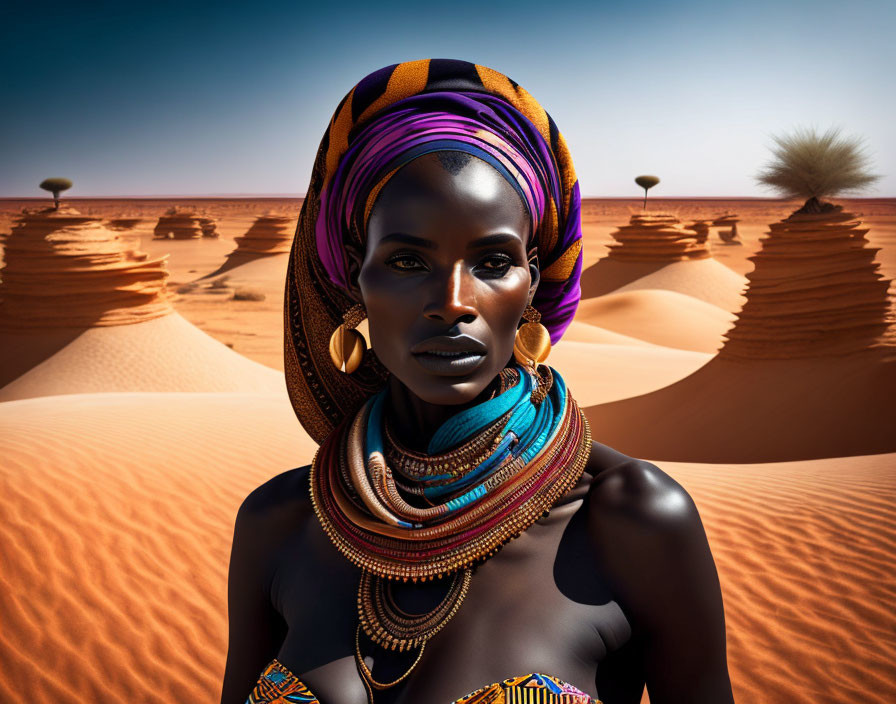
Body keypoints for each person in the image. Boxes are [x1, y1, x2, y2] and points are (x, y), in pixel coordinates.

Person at [221, 59, 734, 704]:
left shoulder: (630, 520)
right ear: (356, 275)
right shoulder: (282, 521)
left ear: (534, 285)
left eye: (493, 262)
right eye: (407, 260)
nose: (454, 301)